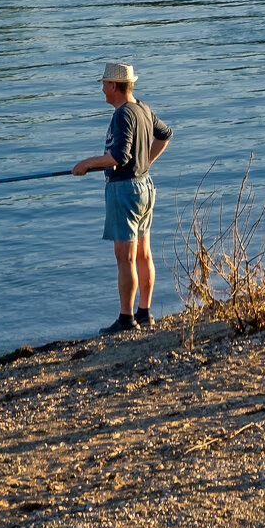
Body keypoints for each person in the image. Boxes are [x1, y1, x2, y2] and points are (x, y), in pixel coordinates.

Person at [72, 63, 173, 334]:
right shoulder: (143, 108)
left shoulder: (122, 114)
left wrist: (87, 164)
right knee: (143, 254)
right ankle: (145, 312)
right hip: (144, 187)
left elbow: (119, 156)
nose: (102, 89)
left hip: (124, 190)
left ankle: (126, 318)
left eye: (104, 84)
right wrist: (147, 162)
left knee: (125, 258)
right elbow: (165, 135)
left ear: (114, 86)